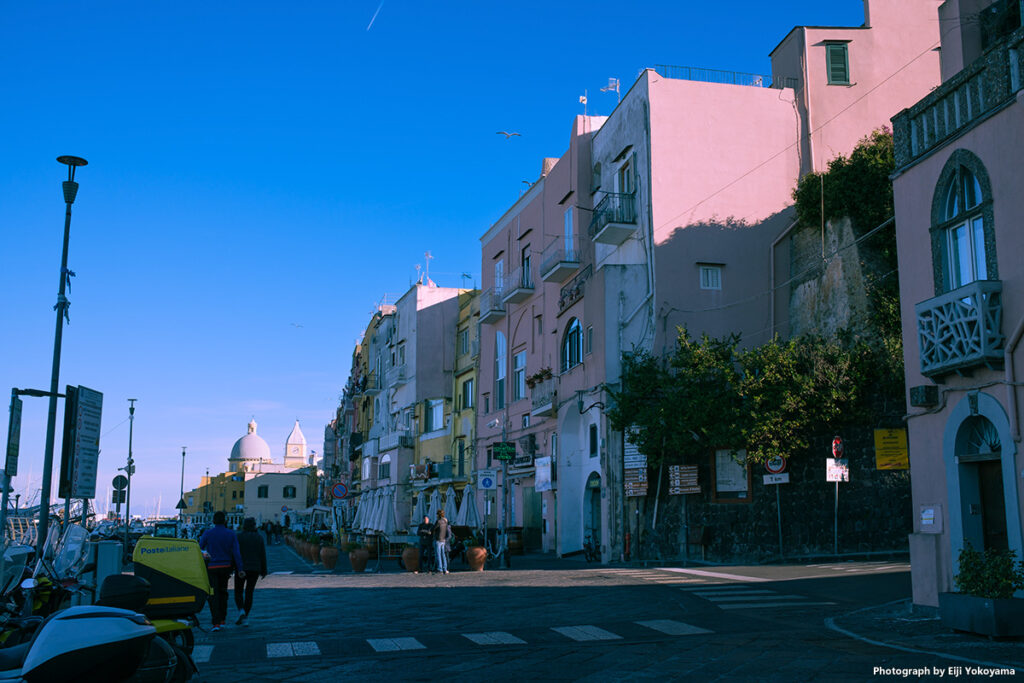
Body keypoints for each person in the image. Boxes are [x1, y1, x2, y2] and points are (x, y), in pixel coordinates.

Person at [199, 510, 245, 631]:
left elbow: (200, 548)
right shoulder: (231, 534)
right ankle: (223, 619)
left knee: (213, 595)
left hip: (212, 567)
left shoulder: (208, 533)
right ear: (225, 521)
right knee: (223, 593)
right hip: (226, 567)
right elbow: (236, 553)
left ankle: (216, 622)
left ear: (213, 521)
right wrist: (240, 568)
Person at [234, 518, 267, 626]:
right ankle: (245, 616)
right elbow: (262, 555)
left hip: (241, 568)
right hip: (255, 568)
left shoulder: (238, 537)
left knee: (238, 591)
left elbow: (234, 553)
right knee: (249, 592)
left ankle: (241, 611)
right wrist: (264, 570)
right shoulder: (259, 538)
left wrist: (232, 567)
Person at [432, 509, 453, 574]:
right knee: (443, 555)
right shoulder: (445, 521)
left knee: (438, 555)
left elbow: (433, 528)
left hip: (438, 539)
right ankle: (445, 568)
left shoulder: (438, 521)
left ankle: (440, 569)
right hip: (443, 540)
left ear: (438, 515)